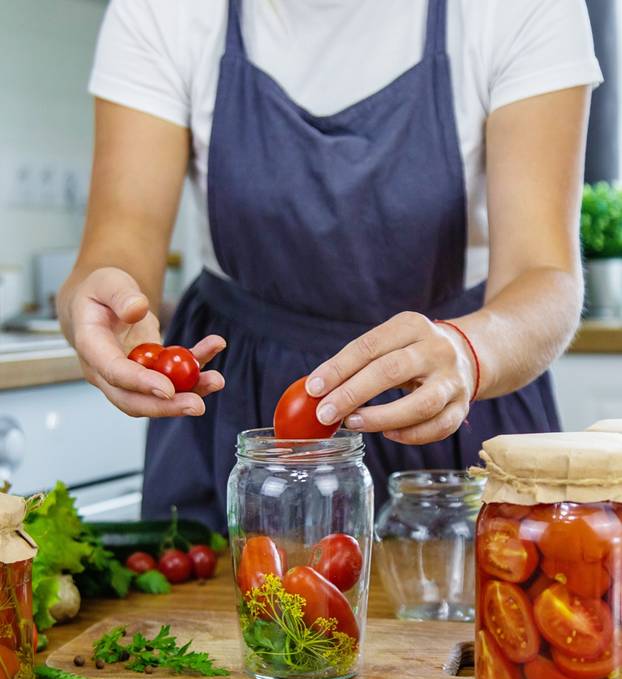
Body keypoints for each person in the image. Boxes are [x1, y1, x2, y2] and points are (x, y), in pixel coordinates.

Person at [58, 0, 602, 530]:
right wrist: (103, 308)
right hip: (236, 412)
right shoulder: (163, 11)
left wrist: (469, 353)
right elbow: (117, 245)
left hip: (452, 407)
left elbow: (545, 274)